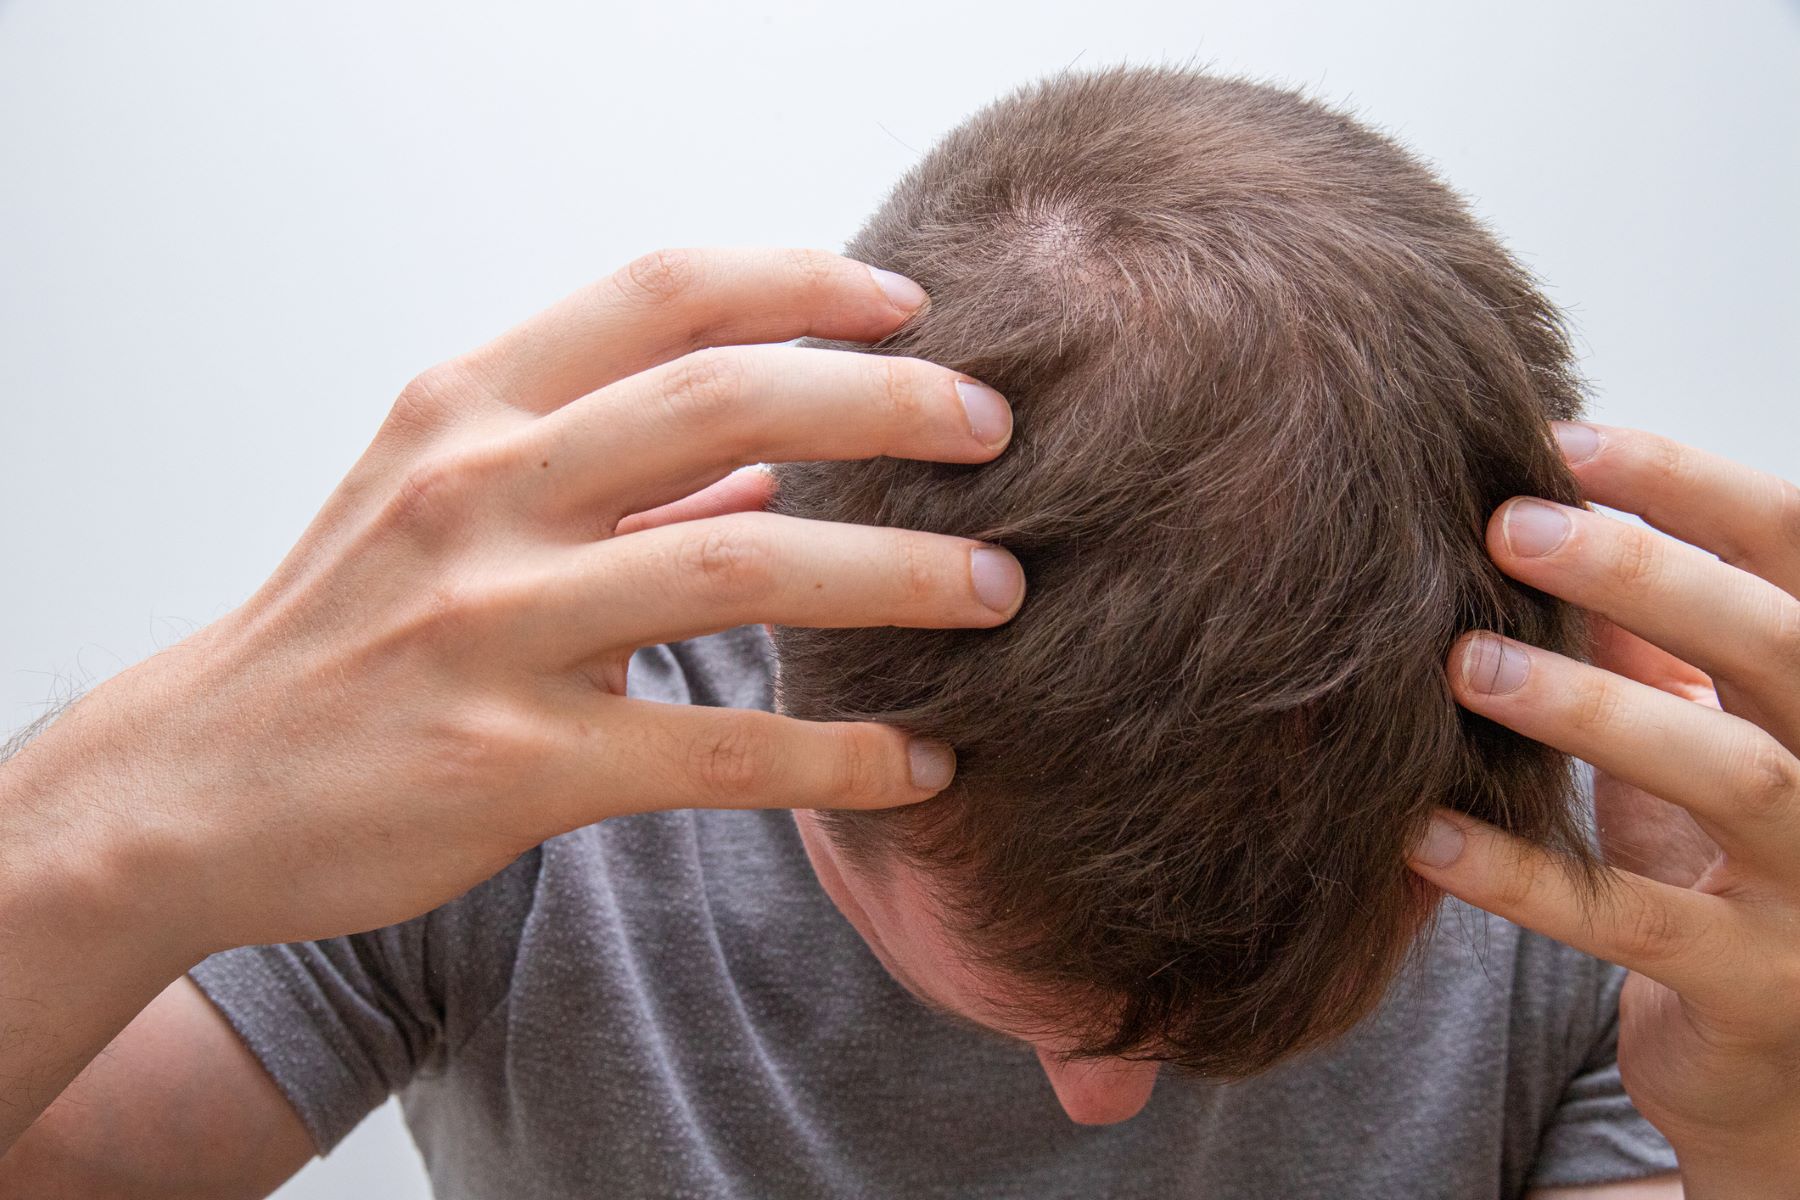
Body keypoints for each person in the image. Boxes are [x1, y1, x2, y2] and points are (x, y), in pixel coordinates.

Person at [0, 65, 1795, 1199]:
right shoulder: (508, 786)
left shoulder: (1618, 880)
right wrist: (101, 825)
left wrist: (1764, 1150)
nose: (1102, 1110)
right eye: (1058, 1013)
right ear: (794, 659)